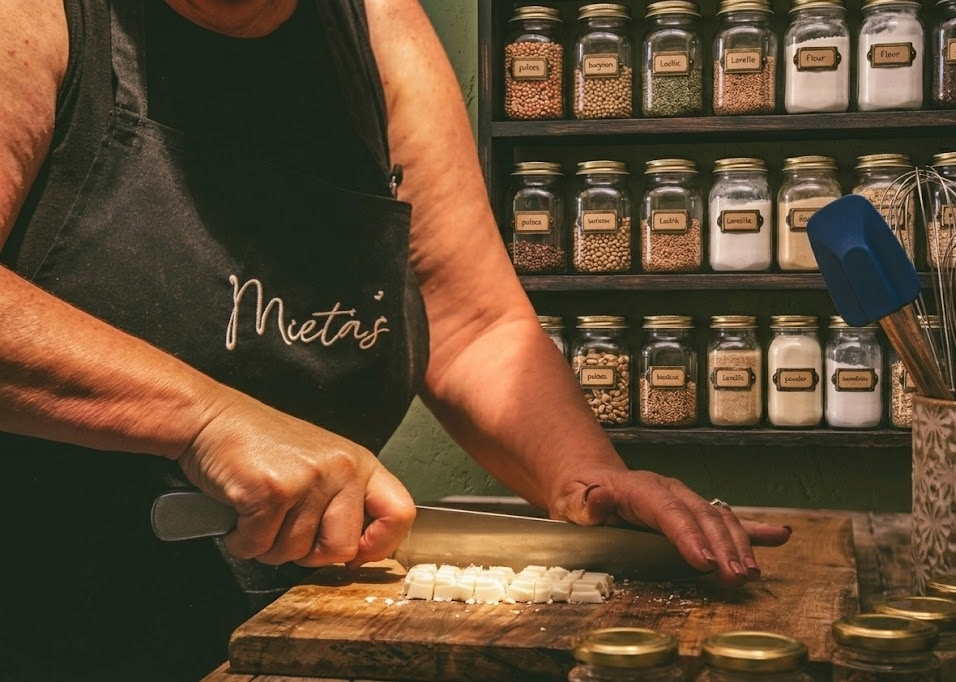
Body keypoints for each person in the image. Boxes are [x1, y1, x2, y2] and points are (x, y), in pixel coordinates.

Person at [0, 1, 792, 679]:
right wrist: (205, 418)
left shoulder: (376, 27)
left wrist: (583, 474)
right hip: (44, 616)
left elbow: (473, 323)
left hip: (299, 620)